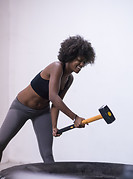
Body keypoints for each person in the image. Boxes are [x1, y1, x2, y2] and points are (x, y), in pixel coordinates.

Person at [0, 35, 96, 163]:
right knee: (1, 143)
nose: (81, 64)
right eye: (79, 60)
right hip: (21, 108)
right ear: (70, 56)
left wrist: (54, 126)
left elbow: (55, 104)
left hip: (42, 112)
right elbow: (53, 96)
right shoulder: (56, 67)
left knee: (48, 155)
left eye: (84, 62)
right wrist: (75, 117)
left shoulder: (69, 79)